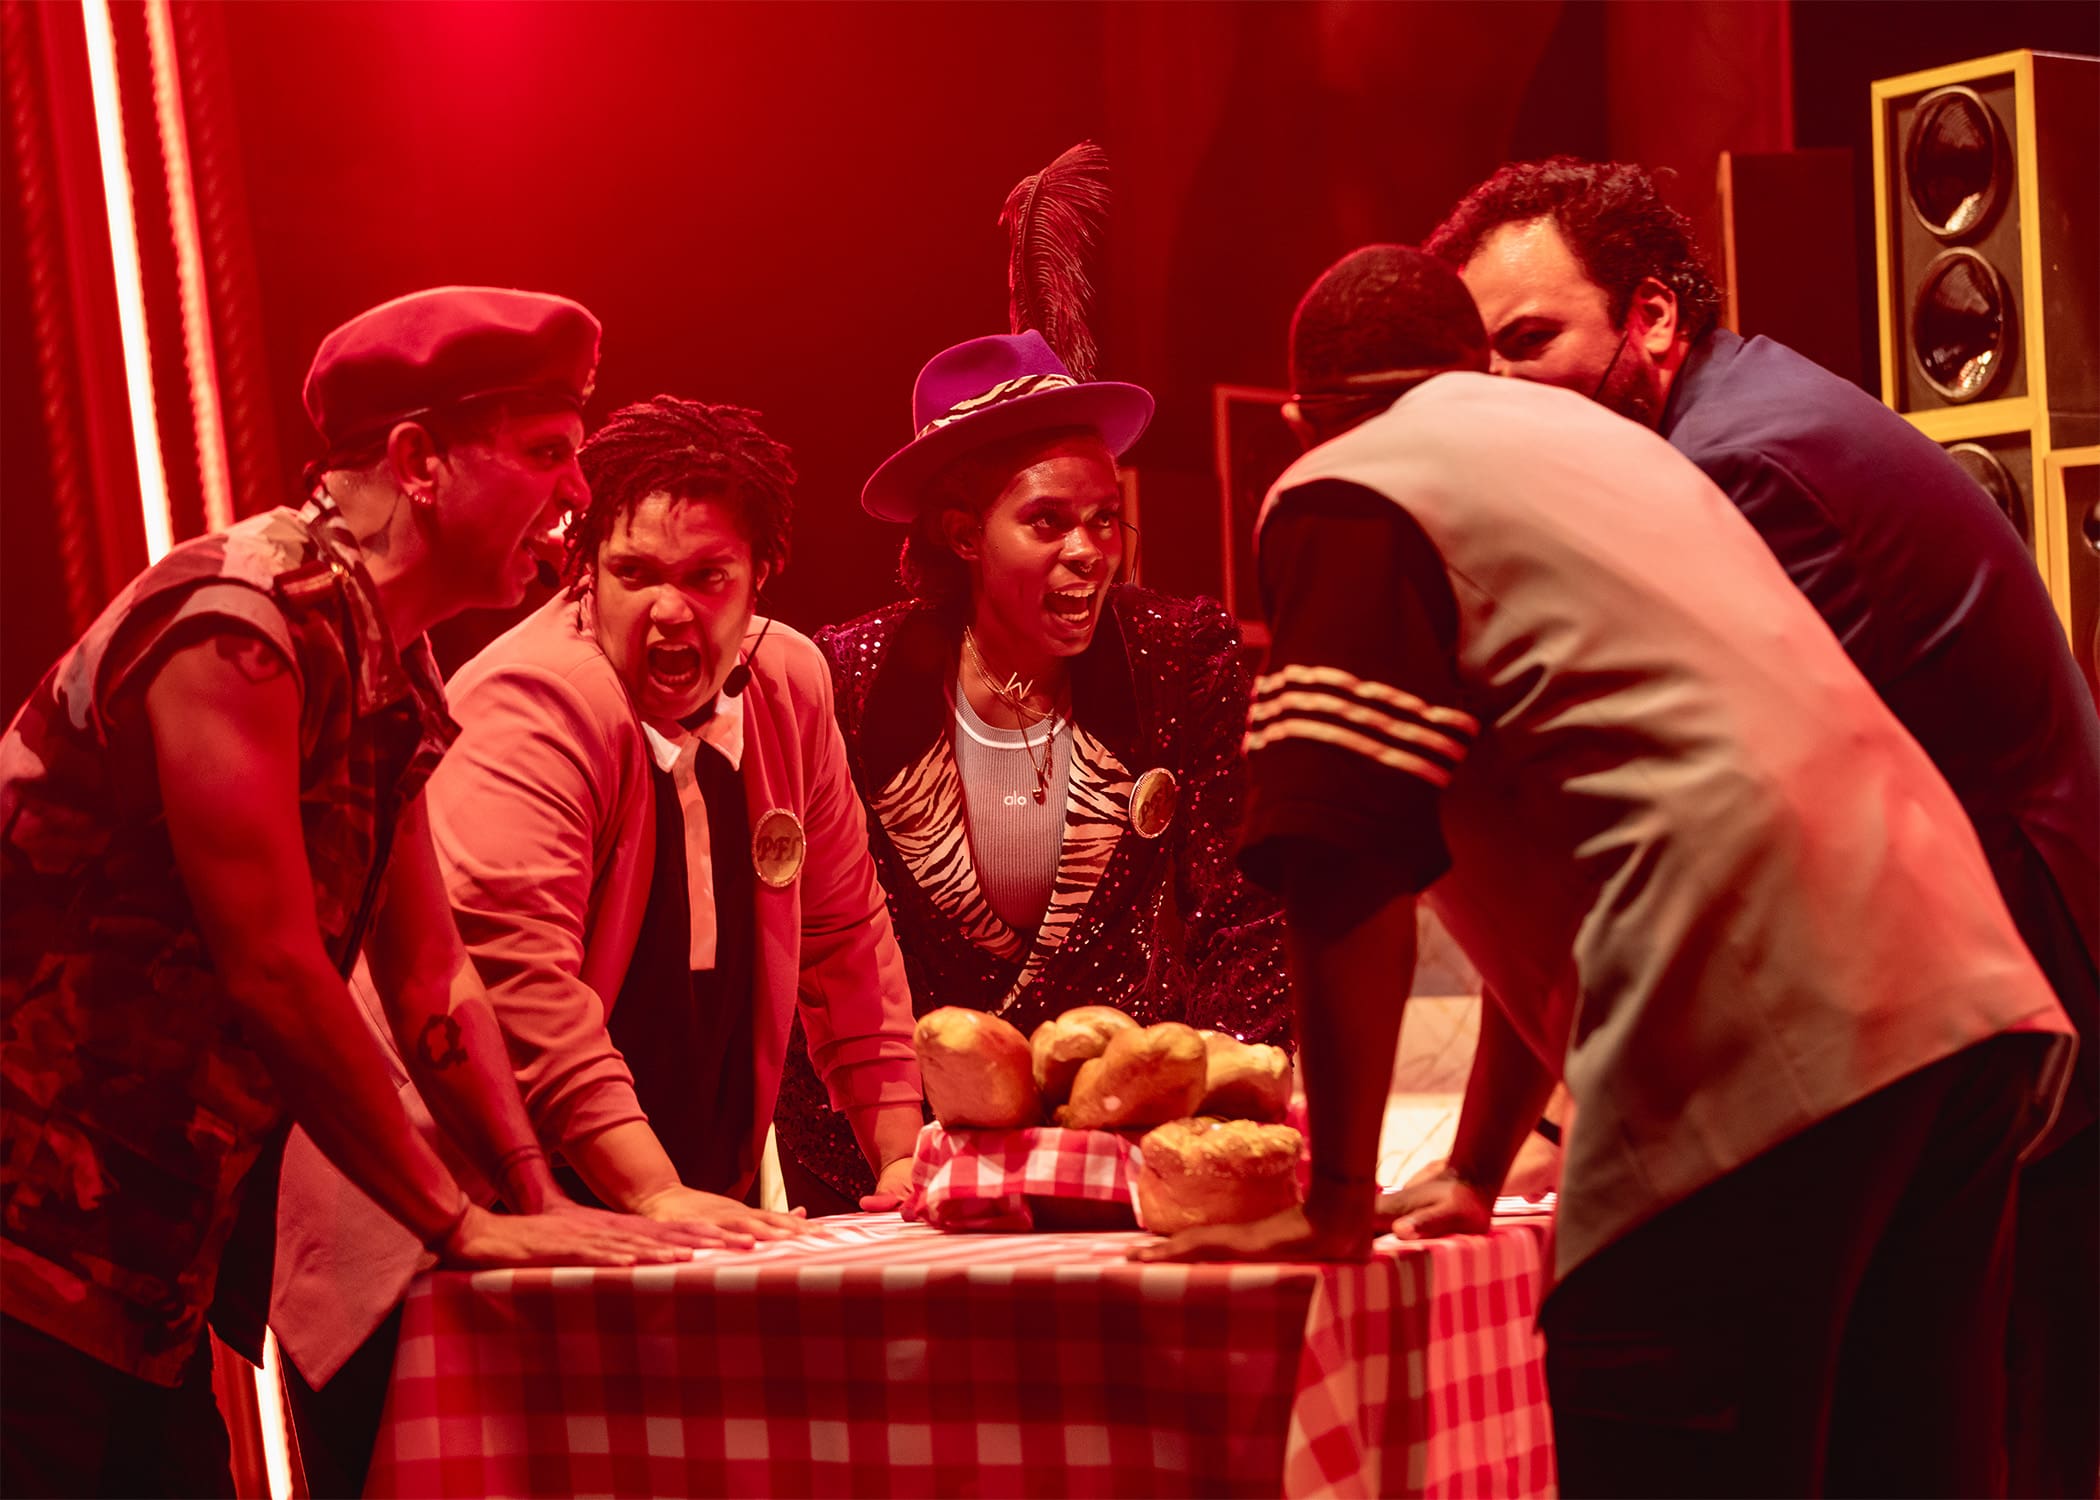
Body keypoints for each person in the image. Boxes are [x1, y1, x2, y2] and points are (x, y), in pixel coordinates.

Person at [1140, 245, 2073, 1499]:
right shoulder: (1620, 452)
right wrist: (1475, 1169)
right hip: (1962, 1004)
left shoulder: (1346, 486)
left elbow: (1345, 850)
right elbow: (1582, 811)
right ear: (1473, 365)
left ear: (1302, 418)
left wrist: (1340, 1198)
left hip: (1753, 1032)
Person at [1424, 157, 2100, 1497]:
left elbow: (1697, 841)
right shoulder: (1716, 435)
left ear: (1655, 319)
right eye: (1474, 360)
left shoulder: (1733, 473)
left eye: (1530, 340)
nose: (1496, 393)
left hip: (2005, 985)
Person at [0, 287, 709, 1497]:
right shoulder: (240, 623)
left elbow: (429, 967)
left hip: (129, 1291)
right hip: (26, 1275)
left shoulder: (384, 658)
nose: (577, 496)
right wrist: (455, 1221)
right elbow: (273, 968)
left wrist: (532, 1199)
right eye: (546, 453)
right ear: (417, 459)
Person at [270, 394, 923, 1491]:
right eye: (633, 574)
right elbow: (524, 984)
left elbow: (845, 931)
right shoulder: (535, 700)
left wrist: (901, 1155)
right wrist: (656, 1199)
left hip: (635, 1222)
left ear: (762, 576)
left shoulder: (791, 684)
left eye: (707, 579)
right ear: (586, 572)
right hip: (438, 1232)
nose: (671, 613)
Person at [771, 330, 1289, 1209]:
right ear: (964, 535)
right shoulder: (848, 680)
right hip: (900, 1165)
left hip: (1131, 1143)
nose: (1089, 549)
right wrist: (869, 1165)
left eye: (1103, 516)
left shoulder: (1176, 658)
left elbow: (1245, 909)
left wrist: (1217, 1111)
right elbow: (818, 951)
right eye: (1048, 521)